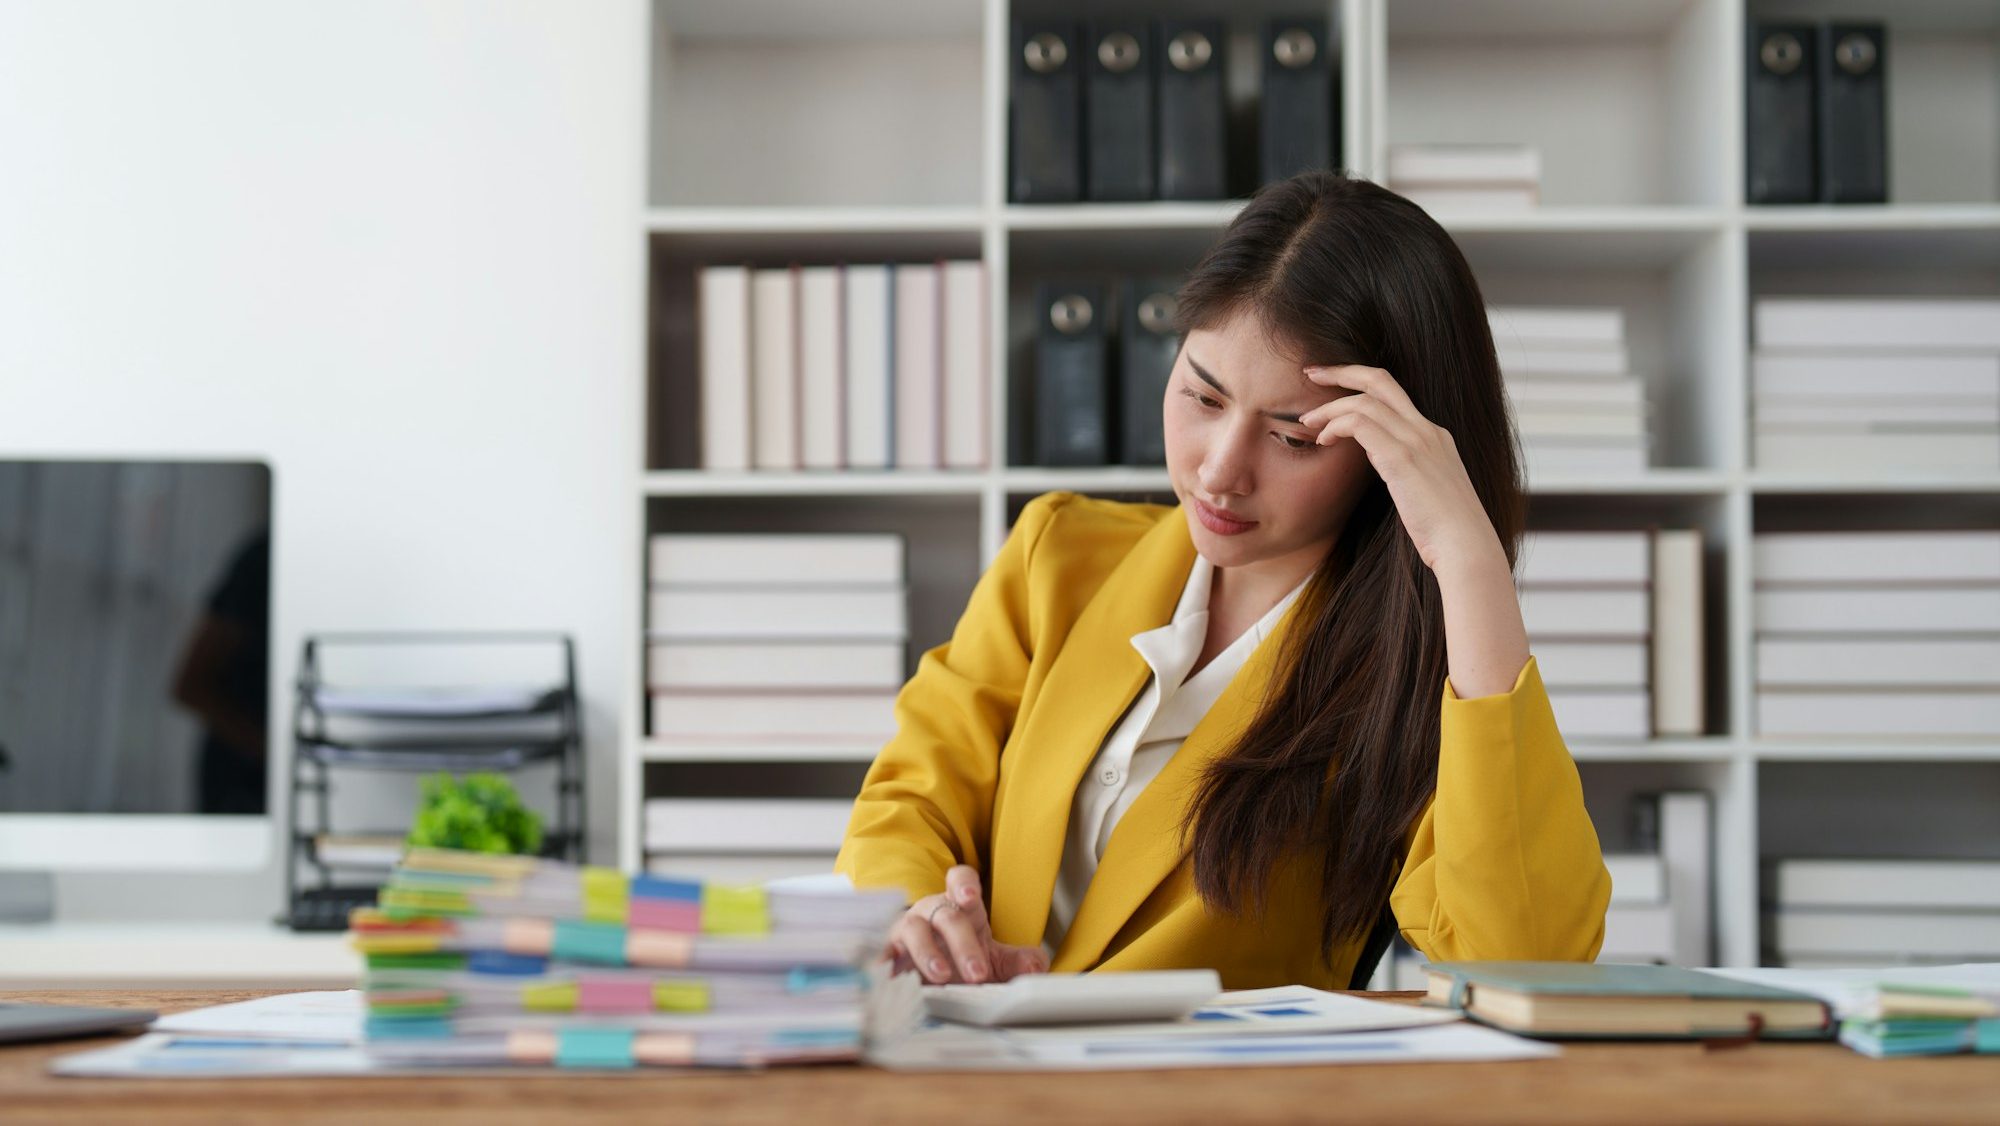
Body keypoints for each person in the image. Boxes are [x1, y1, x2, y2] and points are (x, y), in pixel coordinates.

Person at [835, 171, 1611, 990]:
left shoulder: (1422, 673)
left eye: (1294, 438)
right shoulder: (1058, 555)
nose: (1219, 470)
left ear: (1395, 451)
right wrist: (920, 910)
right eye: (1202, 395)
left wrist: (1468, 555)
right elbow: (910, 797)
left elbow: (1530, 958)